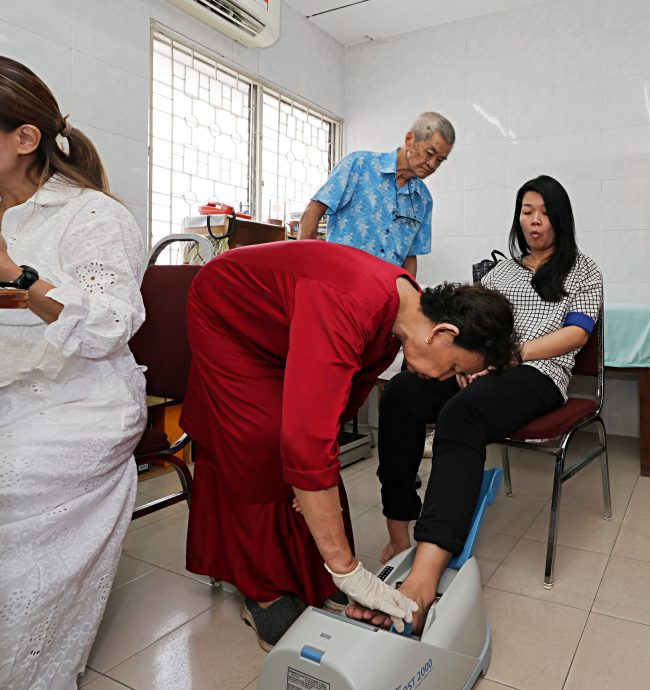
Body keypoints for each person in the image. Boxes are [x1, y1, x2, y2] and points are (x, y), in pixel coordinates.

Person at [179, 241, 518, 651]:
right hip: (227, 312)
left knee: (308, 457)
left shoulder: (403, 313)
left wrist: (310, 477)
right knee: (264, 438)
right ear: (443, 333)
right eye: (453, 368)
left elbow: (342, 395)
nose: (445, 379)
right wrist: (348, 570)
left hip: (283, 323)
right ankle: (264, 590)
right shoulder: (349, 306)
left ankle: (311, 575)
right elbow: (303, 440)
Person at [345, 175, 603, 633]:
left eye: (544, 212)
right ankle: (398, 531)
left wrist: (513, 355)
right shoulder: (501, 272)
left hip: (538, 375)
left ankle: (424, 575)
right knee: (402, 391)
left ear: (561, 218)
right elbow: (466, 326)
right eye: (527, 211)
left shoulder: (584, 272)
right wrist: (463, 361)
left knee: (461, 413)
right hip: (483, 369)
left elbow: (577, 334)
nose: (535, 221)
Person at [0, 57, 147, 689]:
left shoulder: (93, 216)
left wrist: (17, 278)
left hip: (82, 397)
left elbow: (113, 322)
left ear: (24, 139)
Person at [298, 112, 455, 277]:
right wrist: (302, 272)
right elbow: (312, 213)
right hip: (339, 283)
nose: (432, 164)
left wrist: (411, 294)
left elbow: (410, 256)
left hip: (385, 292)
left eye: (439, 160)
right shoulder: (359, 165)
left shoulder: (423, 199)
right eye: (429, 153)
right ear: (410, 140)